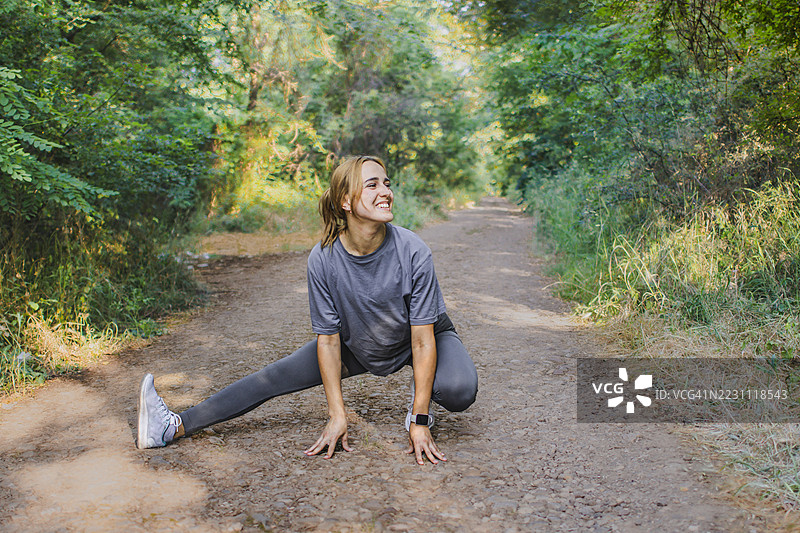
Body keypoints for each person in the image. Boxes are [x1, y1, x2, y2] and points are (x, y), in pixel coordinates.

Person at [137, 155, 478, 465]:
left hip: (420, 337)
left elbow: (421, 342)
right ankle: (172, 427)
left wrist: (419, 418)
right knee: (271, 378)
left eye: (386, 183)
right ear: (346, 201)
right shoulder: (324, 258)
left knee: (460, 389)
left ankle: (419, 407)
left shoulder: (413, 251)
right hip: (359, 341)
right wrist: (337, 413)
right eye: (372, 184)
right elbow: (328, 341)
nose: (385, 191)